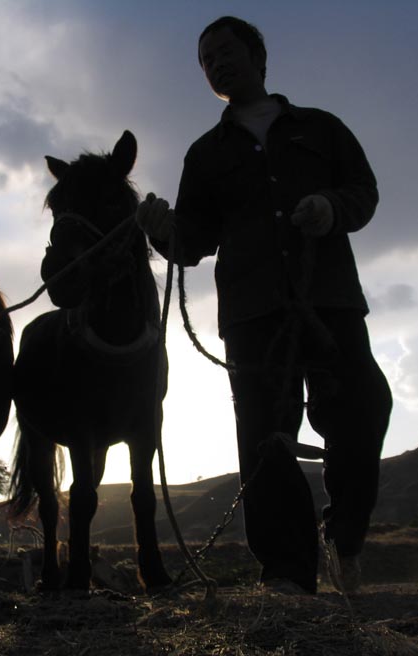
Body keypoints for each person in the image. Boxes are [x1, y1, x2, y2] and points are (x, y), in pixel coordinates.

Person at [137, 16, 391, 595]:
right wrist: (160, 230)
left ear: (257, 54)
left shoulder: (321, 128)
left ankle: (344, 537)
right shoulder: (204, 154)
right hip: (252, 314)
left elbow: (363, 192)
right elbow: (192, 242)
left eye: (225, 51)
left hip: (328, 300)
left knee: (363, 411)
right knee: (264, 439)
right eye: (205, 61)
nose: (216, 64)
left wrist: (330, 206)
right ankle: (285, 575)